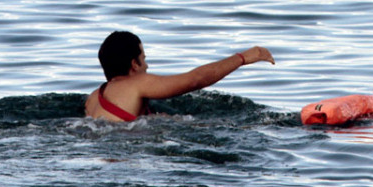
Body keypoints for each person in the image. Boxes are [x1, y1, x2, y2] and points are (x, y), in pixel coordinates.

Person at [85, 31, 274, 122]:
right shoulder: (137, 83)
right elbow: (196, 79)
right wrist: (243, 58)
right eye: (144, 58)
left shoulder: (93, 98)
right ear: (134, 64)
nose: (147, 65)